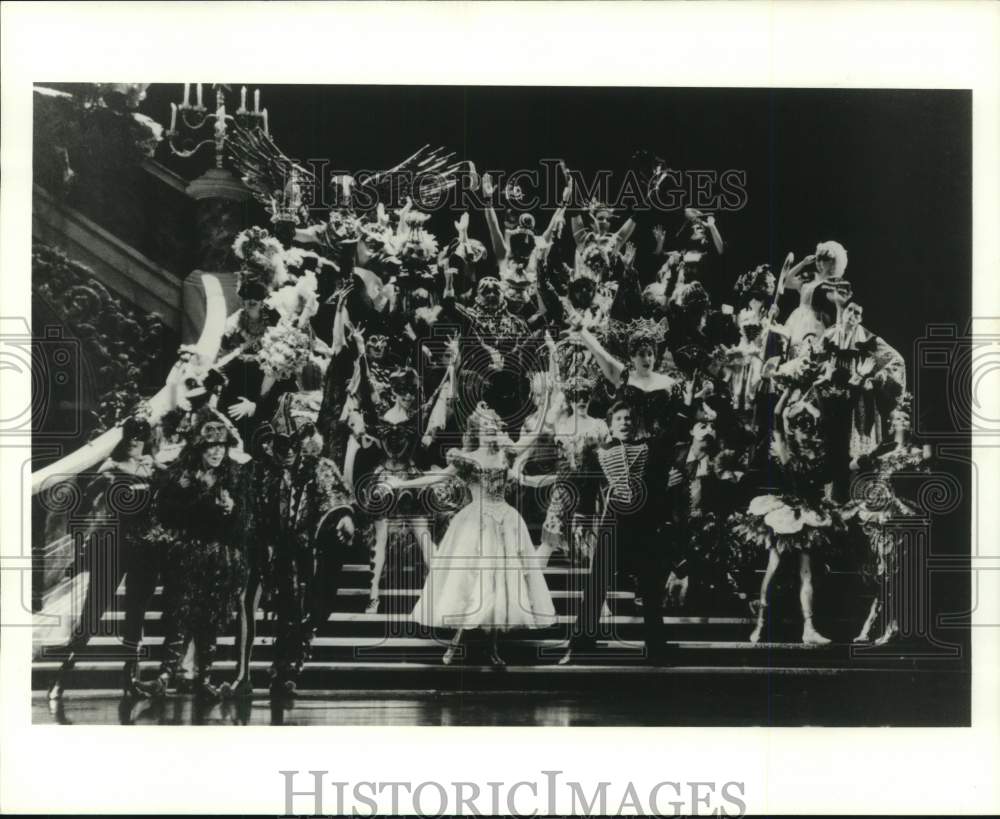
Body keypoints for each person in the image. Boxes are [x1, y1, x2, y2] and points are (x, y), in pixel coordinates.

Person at [403, 401, 558, 665]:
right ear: (476, 430)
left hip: (506, 521)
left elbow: (533, 436)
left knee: (502, 586)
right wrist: (401, 483)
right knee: (476, 583)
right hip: (475, 523)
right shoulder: (467, 458)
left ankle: (493, 648)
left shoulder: (505, 454)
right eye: (484, 425)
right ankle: (456, 642)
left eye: (493, 424)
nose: (489, 429)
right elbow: (439, 477)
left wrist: (545, 405)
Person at [559, 401, 687, 665]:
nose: (624, 422)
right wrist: (582, 519)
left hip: (644, 527)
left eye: (628, 418)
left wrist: (685, 404)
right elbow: (588, 489)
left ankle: (656, 649)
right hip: (612, 525)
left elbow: (673, 438)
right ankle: (580, 646)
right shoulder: (598, 453)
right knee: (596, 587)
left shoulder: (649, 448)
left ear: (635, 423)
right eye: (619, 419)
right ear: (610, 424)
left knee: (651, 590)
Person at [135, 420, 251, 699]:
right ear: (200, 448)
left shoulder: (235, 475)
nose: (217, 452)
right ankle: (165, 676)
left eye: (221, 446)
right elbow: (167, 512)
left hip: (220, 557)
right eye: (211, 447)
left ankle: (204, 678)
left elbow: (247, 518)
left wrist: (233, 509)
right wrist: (201, 500)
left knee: (211, 619)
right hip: (187, 555)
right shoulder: (182, 475)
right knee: (179, 615)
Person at [46, 417, 160, 700]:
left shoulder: (153, 469)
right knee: (92, 614)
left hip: (144, 550)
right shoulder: (109, 469)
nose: (135, 441)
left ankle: (130, 679)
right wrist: (85, 543)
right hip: (112, 547)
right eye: (131, 436)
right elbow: (83, 510)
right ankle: (61, 678)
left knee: (136, 616)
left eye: (140, 437)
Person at [733, 388, 843, 645]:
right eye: (801, 428)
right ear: (793, 430)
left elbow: (827, 423)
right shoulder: (787, 453)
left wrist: (817, 396)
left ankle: (809, 628)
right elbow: (776, 417)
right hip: (786, 516)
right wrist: (788, 390)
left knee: (807, 573)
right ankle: (761, 624)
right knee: (775, 567)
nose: (807, 433)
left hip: (811, 515)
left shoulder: (820, 455)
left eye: (810, 428)